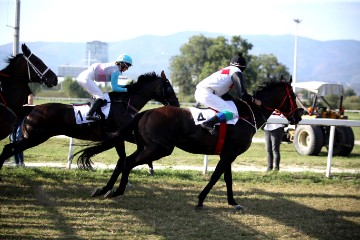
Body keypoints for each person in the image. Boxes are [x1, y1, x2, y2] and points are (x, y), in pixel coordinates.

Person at [195, 52, 262, 135]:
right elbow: (242, 94)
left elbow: (224, 94)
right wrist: (254, 100)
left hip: (203, 92)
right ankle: (208, 123)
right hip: (206, 94)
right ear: (243, 68)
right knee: (232, 113)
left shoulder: (228, 69)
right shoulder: (236, 71)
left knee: (230, 106)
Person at [76, 54, 133, 121]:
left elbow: (116, 86)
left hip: (84, 77)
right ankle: (89, 115)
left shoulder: (113, 67)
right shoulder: (116, 71)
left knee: (100, 98)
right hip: (86, 78)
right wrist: (127, 89)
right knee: (100, 97)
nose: (127, 68)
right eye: (127, 66)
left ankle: (92, 112)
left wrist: (126, 88)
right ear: (122, 64)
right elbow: (115, 88)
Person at [9, 93, 34, 167]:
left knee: (16, 140)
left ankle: (20, 163)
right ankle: (18, 163)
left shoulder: (23, 90)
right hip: (14, 119)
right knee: (14, 141)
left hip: (19, 119)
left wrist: (29, 105)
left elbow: (30, 97)